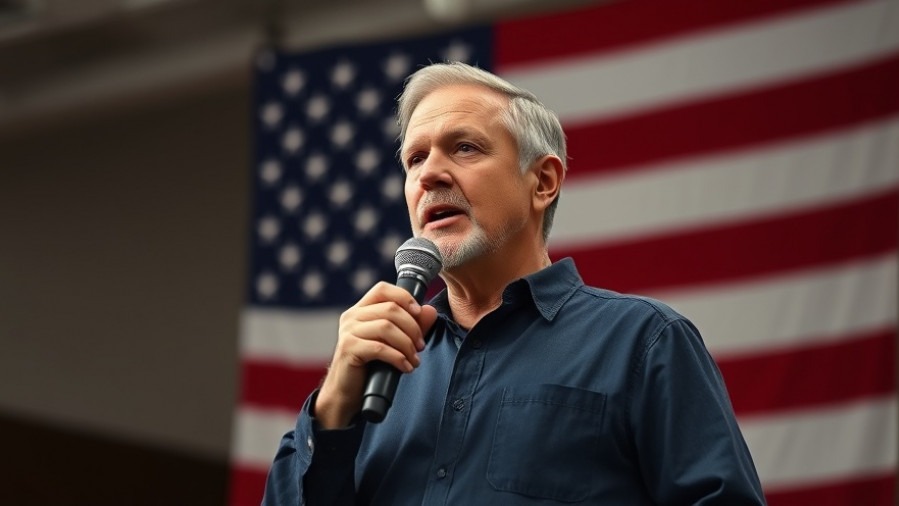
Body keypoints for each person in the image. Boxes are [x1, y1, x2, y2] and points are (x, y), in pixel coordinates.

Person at [262, 62, 766, 505]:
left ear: (543, 182)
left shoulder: (645, 342)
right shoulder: (376, 372)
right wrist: (331, 410)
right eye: (415, 159)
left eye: (463, 148)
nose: (430, 173)